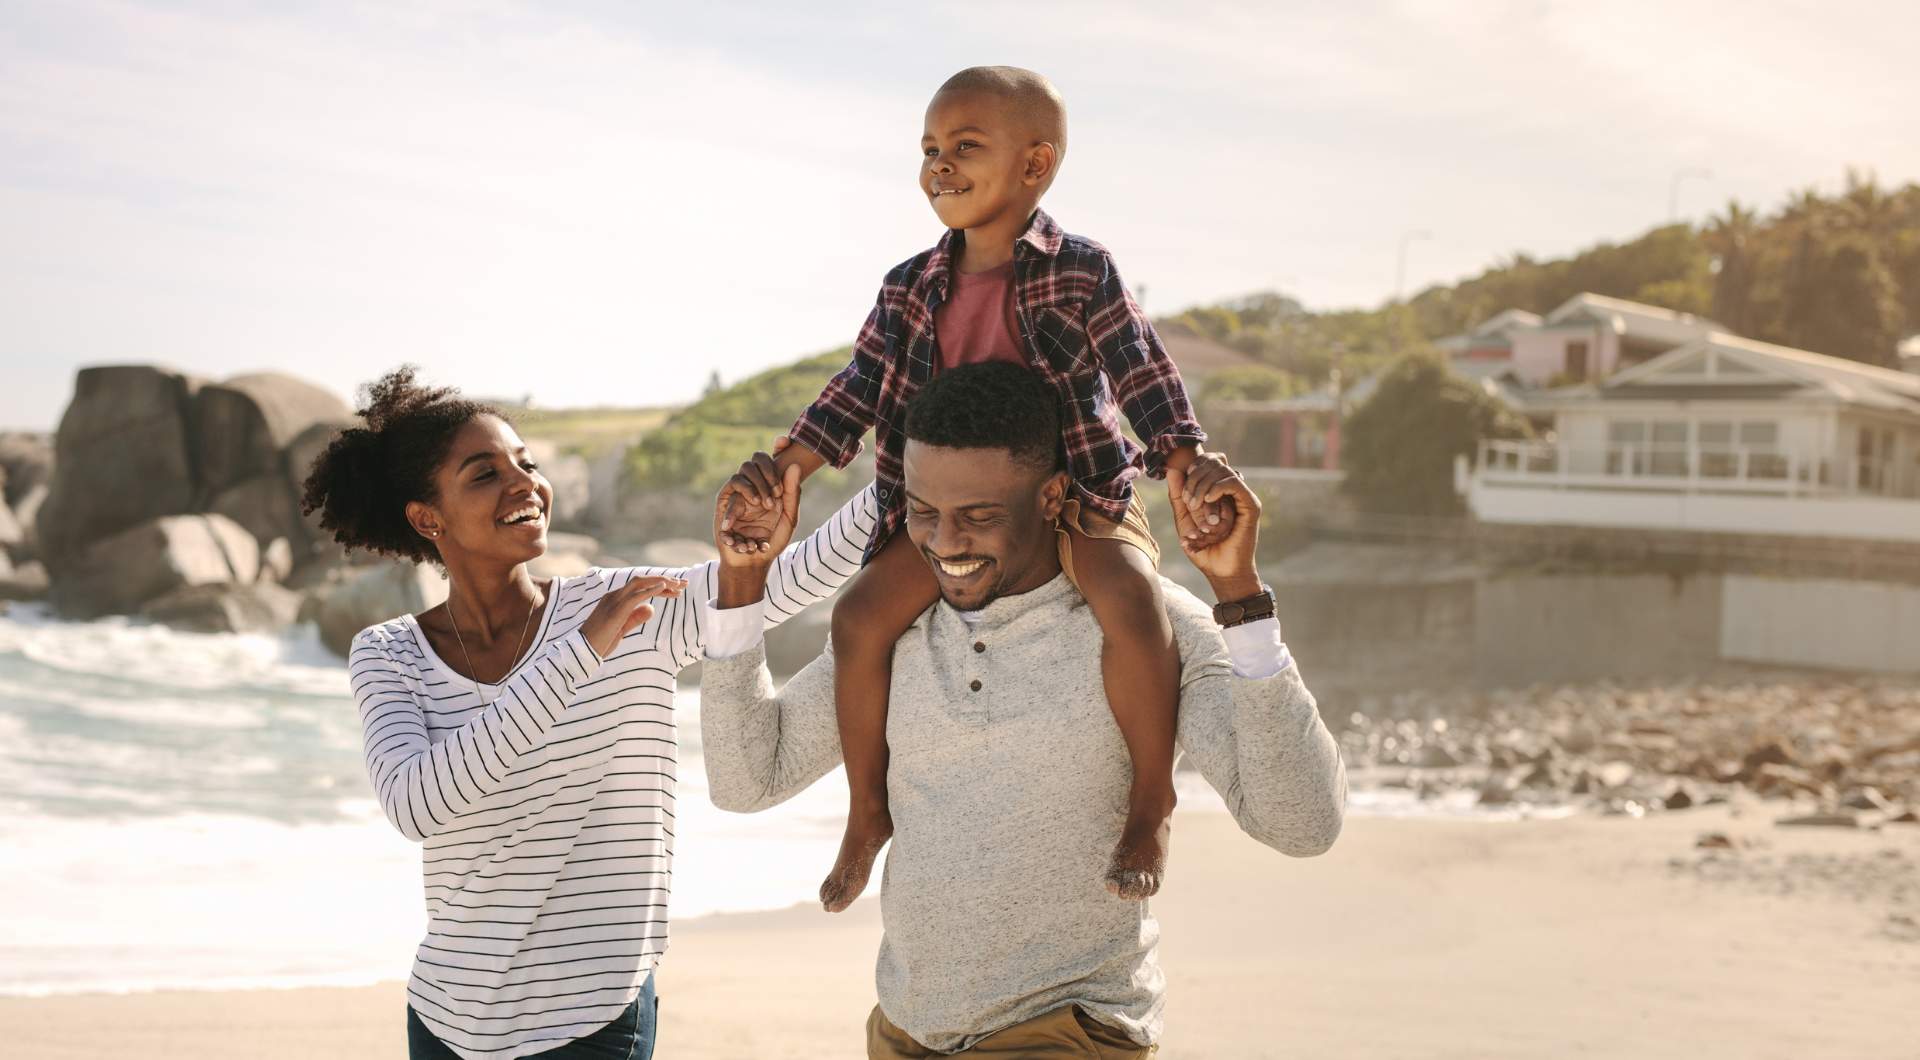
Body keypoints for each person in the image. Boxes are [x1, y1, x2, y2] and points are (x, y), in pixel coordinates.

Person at [700, 363, 1346, 1058]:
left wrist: (1240, 597)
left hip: (1069, 1028)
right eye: (924, 512)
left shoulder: (1154, 631)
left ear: (1050, 497)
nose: (946, 543)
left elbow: (1302, 824)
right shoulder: (896, 632)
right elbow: (747, 782)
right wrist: (743, 582)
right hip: (906, 1031)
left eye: (979, 517)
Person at [718, 64, 1242, 913]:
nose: (941, 165)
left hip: (1073, 495)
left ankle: (1151, 805)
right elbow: (855, 388)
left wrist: (1182, 457)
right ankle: (866, 812)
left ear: (1036, 165)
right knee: (856, 619)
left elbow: (1139, 370)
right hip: (945, 514)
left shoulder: (1080, 271)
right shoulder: (909, 285)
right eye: (929, 149)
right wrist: (791, 464)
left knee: (1132, 604)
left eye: (966, 146)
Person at [300, 367, 877, 1060]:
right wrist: (580, 651)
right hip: (447, 1021)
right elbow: (419, 805)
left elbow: (791, 576)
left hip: (594, 1018)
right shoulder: (391, 654)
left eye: (527, 463)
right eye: (484, 474)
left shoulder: (628, 604)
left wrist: (915, 466)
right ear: (428, 518)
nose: (524, 484)